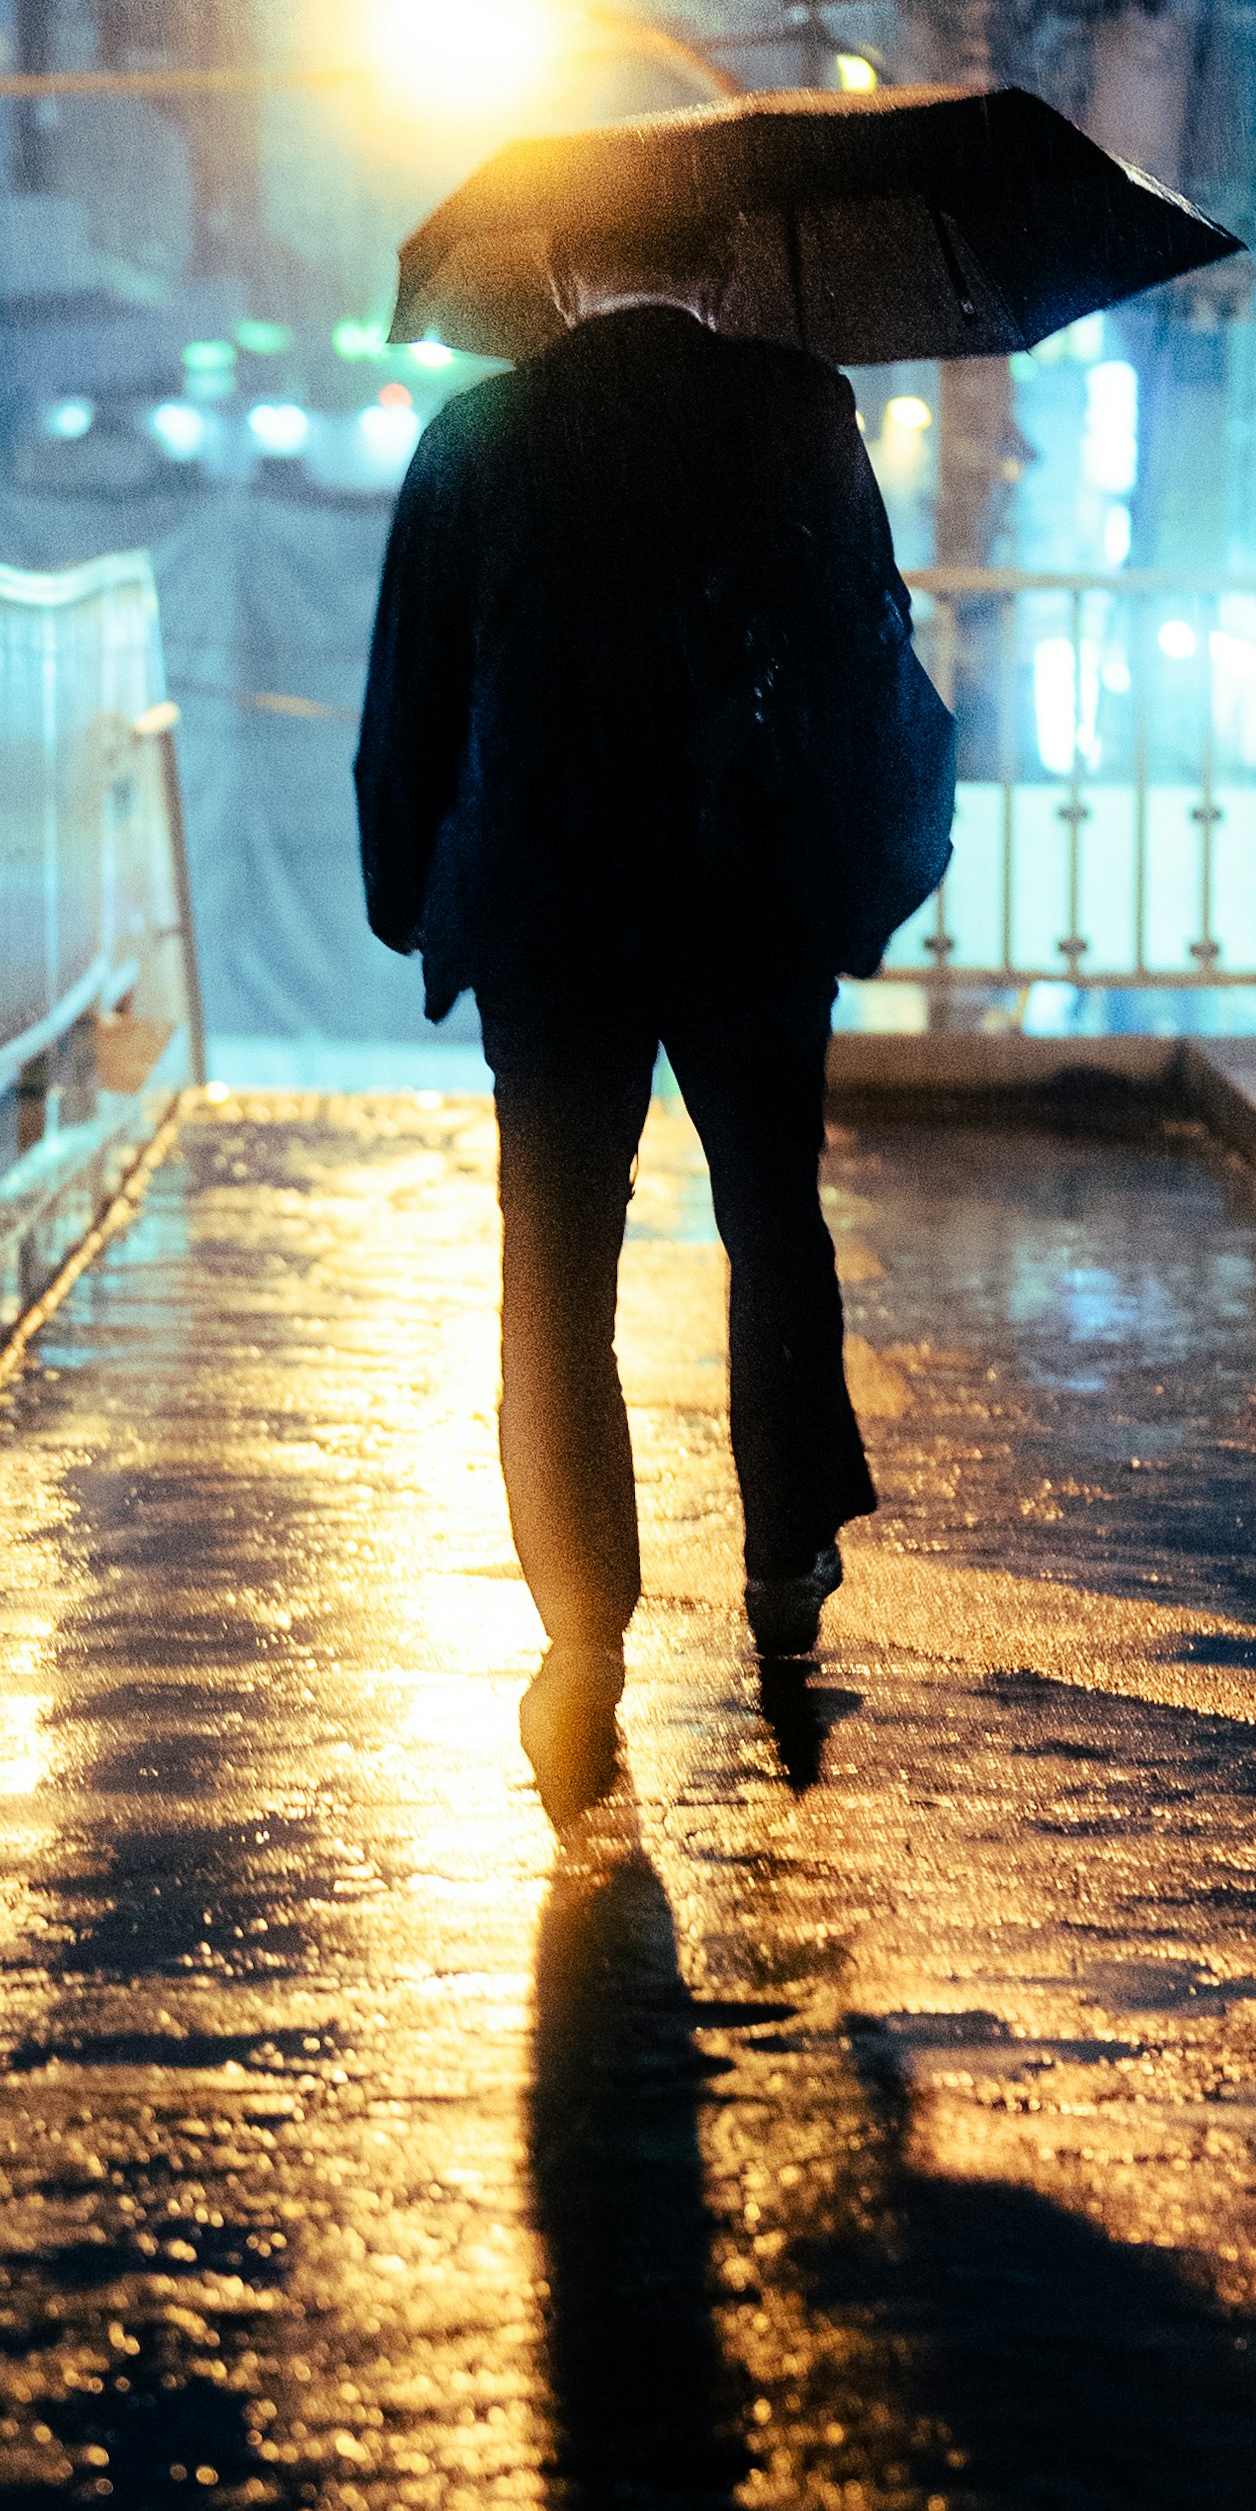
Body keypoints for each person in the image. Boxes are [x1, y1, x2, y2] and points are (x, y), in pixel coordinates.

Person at [352, 243, 957, 1803]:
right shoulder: (794, 411)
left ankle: (584, 1628)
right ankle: (785, 1557)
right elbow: (862, 646)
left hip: (547, 910)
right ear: (725, 264)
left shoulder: (476, 436)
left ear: (554, 268)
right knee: (774, 1218)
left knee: (552, 1265)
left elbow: (414, 685)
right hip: (748, 892)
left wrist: (415, 885)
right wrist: (878, 862)